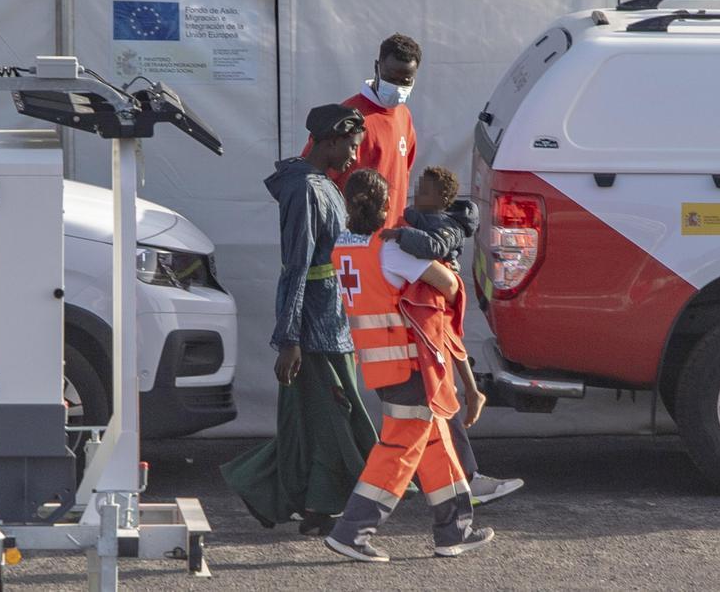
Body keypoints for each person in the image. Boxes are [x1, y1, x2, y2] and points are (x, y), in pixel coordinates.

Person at [304, 33, 523, 506]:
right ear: (376, 65)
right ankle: (436, 485)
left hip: (394, 259)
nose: (399, 85)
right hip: (374, 262)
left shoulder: (402, 116)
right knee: (420, 380)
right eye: (392, 75)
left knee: (421, 384)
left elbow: (399, 189)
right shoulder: (350, 118)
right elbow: (318, 177)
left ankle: (453, 483)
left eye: (407, 79)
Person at [325, 169, 494, 562]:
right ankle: (352, 531)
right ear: (386, 205)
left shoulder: (343, 248)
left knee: (435, 442)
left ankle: (455, 530)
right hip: (410, 365)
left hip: (380, 365)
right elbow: (448, 286)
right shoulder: (391, 249)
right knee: (398, 450)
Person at [221, 104, 373, 537]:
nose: (354, 157)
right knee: (335, 424)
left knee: (317, 424)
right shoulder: (303, 189)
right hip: (314, 333)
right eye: (351, 146)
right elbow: (297, 266)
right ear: (330, 140)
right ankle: (316, 505)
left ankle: (316, 509)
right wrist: (290, 339)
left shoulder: (324, 185)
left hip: (333, 325)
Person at [381, 166, 476, 273]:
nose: (418, 194)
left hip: (431, 281)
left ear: (442, 199)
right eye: (419, 188)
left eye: (425, 192)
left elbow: (436, 246)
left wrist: (400, 234)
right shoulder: (420, 211)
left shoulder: (450, 226)